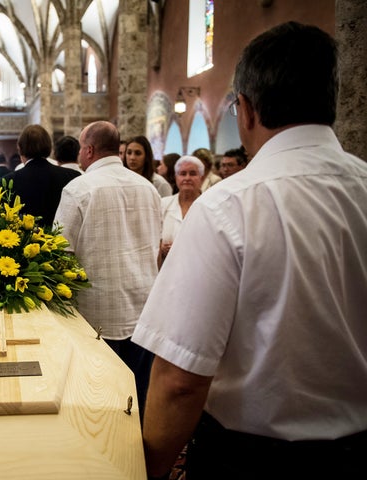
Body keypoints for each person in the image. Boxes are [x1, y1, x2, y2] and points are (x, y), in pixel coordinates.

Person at [133, 22, 367, 479]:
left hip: (256, 458)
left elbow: (181, 380)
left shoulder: (228, 206)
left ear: (245, 109)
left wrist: (150, 470)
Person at [54, 121, 161, 419]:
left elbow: (60, 252)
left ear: (88, 150)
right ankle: (139, 455)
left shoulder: (79, 189)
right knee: (138, 396)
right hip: (143, 308)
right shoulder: (148, 188)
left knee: (98, 401)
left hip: (97, 312)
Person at [2, 124, 81, 228]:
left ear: (20, 149)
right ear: (49, 148)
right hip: (62, 242)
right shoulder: (72, 176)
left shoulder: (7, 182)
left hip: (20, 242)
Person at [157, 155, 203, 267]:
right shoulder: (163, 204)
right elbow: (154, 238)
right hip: (167, 269)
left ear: (201, 177)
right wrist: (161, 248)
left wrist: (181, 249)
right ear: (176, 177)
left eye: (192, 174)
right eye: (182, 174)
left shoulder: (210, 206)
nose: (187, 178)